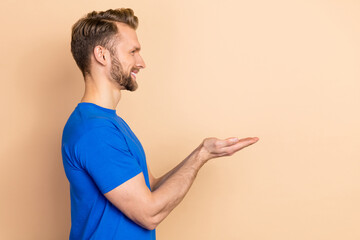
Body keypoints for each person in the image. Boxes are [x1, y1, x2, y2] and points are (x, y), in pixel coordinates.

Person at [61, 8, 259, 240]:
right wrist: (201, 158)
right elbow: (148, 213)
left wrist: (203, 151)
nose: (141, 63)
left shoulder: (110, 123)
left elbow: (149, 187)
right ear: (102, 55)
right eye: (132, 51)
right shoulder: (94, 131)